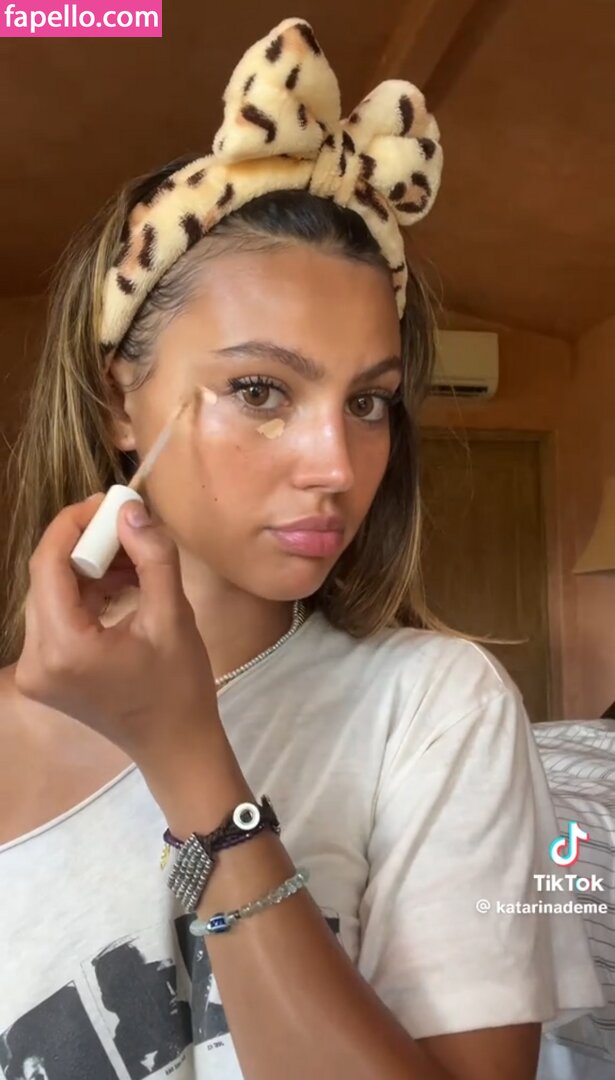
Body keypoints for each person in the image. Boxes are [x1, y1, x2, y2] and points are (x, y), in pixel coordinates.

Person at [0, 17, 604, 1080]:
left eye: (369, 402)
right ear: (119, 403)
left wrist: (193, 766)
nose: (337, 464)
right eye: (260, 390)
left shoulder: (434, 706)